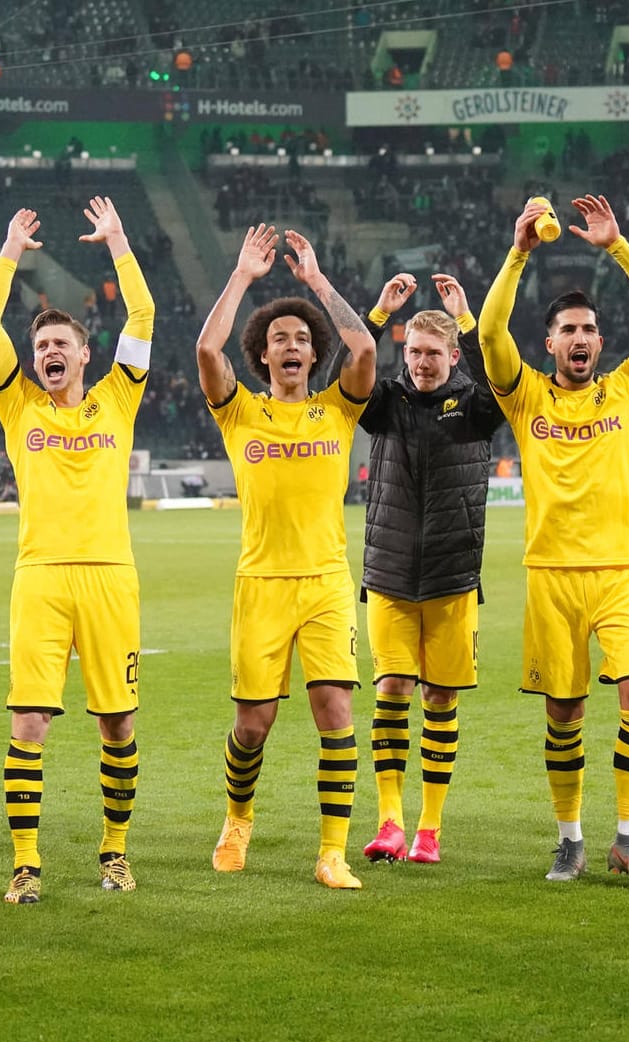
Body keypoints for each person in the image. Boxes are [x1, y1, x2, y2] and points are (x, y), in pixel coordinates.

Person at [478, 194, 629, 886]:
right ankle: (570, 840)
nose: (581, 338)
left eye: (590, 328)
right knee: (564, 712)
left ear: (600, 341)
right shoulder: (525, 395)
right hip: (551, 575)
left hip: (622, 571)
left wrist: (616, 248)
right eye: (568, 328)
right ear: (551, 343)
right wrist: (518, 253)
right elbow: (487, 333)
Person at [0, 199, 154, 905]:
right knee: (29, 724)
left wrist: (119, 242)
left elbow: (141, 319)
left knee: (118, 723)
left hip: (112, 578)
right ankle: (25, 862)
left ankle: (115, 853)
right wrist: (11, 249)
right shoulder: (18, 406)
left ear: (85, 353)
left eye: (61, 344)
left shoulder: (119, 398)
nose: (49, 353)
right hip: (40, 580)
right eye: (40, 344)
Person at [196, 223, 377, 890]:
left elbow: (362, 345)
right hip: (262, 585)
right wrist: (244, 276)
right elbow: (205, 348)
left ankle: (333, 851)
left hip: (327, 582)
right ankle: (237, 820)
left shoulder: (337, 410)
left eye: (302, 339)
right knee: (253, 724)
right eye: (280, 339)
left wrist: (315, 283)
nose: (293, 345)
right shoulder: (240, 413)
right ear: (264, 357)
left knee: (335, 712)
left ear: (312, 353)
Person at [331, 271, 503, 865]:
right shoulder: (385, 404)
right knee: (392, 692)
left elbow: (502, 382)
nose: (423, 362)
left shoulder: (476, 408)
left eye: (434, 353)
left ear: (452, 355)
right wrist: (376, 315)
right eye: (414, 352)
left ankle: (430, 828)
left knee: (440, 699)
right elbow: (341, 378)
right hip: (390, 573)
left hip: (454, 576)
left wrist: (471, 322)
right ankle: (390, 822)